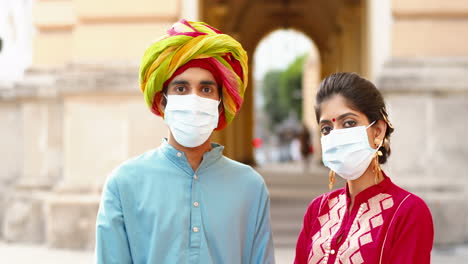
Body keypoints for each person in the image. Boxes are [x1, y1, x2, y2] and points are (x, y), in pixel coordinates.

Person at [95, 19, 275, 264]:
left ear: (220, 105)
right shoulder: (123, 183)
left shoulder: (250, 186)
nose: (194, 99)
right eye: (181, 89)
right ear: (162, 102)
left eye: (206, 89)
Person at [294, 72, 434, 264]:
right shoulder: (317, 210)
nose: (336, 135)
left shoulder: (408, 212)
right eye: (326, 128)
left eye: (349, 123)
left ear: (377, 131)